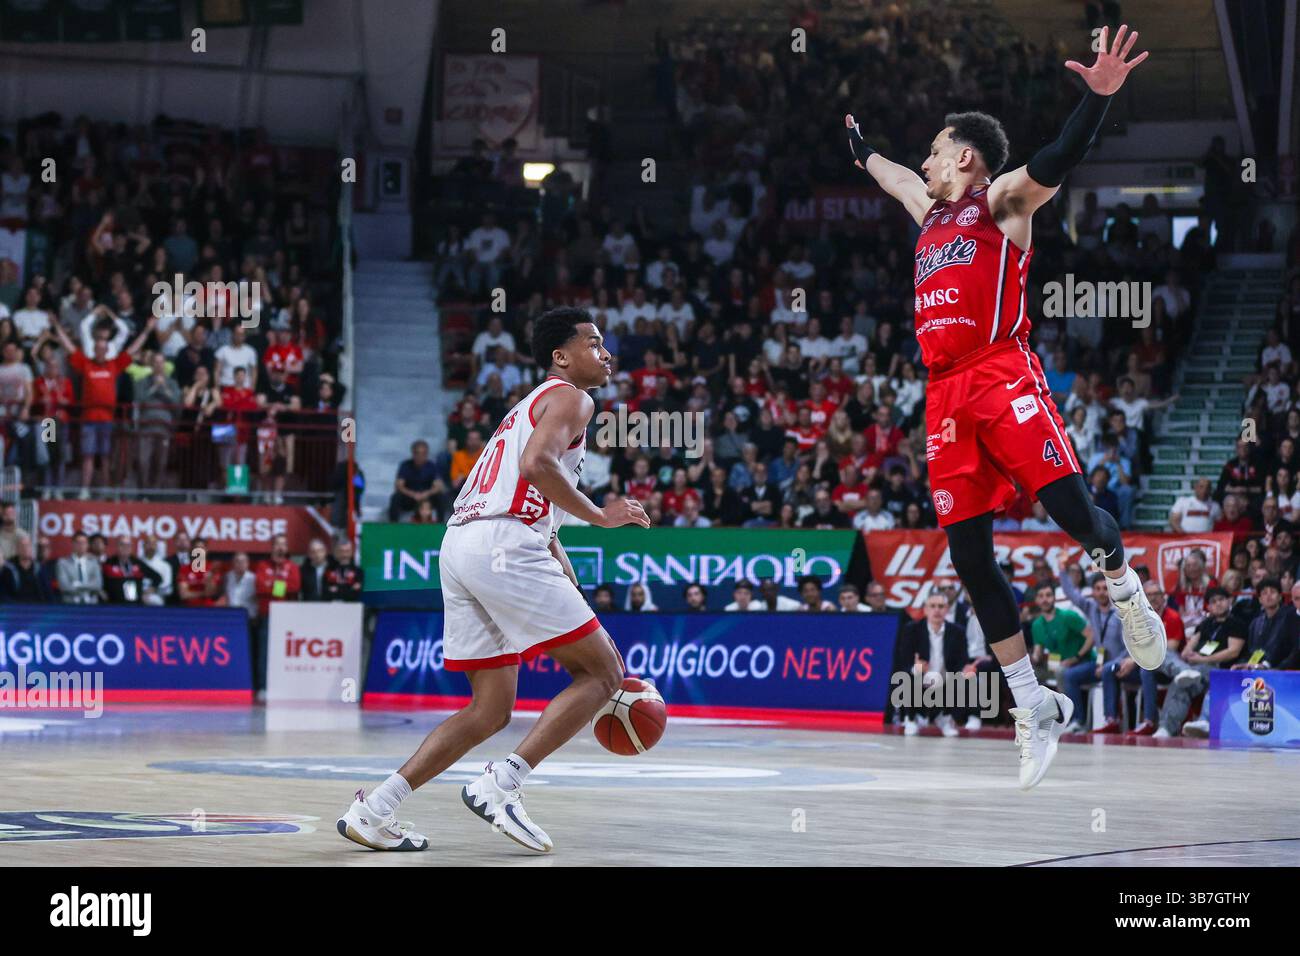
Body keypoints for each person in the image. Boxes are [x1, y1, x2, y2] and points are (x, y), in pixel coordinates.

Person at [846, 24, 1164, 789]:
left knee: (1075, 514)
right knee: (967, 555)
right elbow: (892, 176)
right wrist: (862, 151)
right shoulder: (927, 208)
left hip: (1002, 373)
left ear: (965, 156)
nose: (923, 162)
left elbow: (1059, 157)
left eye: (933, 150)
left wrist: (1097, 99)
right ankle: (1032, 703)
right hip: (944, 394)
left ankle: (1123, 586)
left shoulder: (1001, 201)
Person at [337, 307, 649, 854]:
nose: (605, 354)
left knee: (490, 708)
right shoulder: (575, 398)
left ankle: (373, 808)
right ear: (561, 356)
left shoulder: (526, 406)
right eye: (594, 344)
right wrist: (600, 516)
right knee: (603, 674)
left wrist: (556, 551)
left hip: (463, 543)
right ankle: (501, 783)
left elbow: (526, 484)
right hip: (503, 545)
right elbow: (535, 467)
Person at [1153, 586, 1246, 738]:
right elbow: (1186, 650)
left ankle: (1181, 724)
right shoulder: (1205, 624)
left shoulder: (1236, 623)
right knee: (1164, 654)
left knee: (1181, 682)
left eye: (1221, 600)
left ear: (1229, 601)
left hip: (1218, 670)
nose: (1218, 604)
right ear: (1208, 606)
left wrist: (1203, 659)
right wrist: (1188, 655)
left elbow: (1233, 652)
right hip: (1195, 668)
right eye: (1213, 601)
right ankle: (1166, 728)